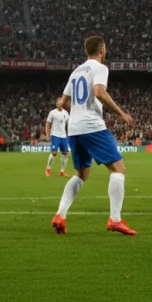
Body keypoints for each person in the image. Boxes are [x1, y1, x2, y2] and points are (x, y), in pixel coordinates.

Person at [51, 36, 136, 235]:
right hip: (92, 126)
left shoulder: (76, 71)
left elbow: (63, 102)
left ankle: (60, 215)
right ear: (102, 50)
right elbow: (99, 92)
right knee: (118, 168)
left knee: (81, 174)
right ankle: (115, 219)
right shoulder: (100, 68)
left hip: (74, 129)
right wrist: (121, 113)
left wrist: (78, 112)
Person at [45, 97, 71, 177]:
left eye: (60, 102)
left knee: (65, 153)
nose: (59, 104)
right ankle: (48, 169)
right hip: (55, 135)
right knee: (54, 152)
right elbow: (48, 124)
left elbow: (69, 124)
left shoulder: (66, 113)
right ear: (56, 104)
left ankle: (62, 171)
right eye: (58, 102)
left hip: (63, 136)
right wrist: (47, 134)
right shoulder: (52, 113)